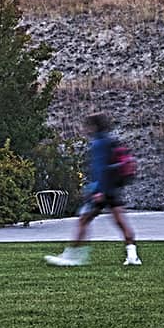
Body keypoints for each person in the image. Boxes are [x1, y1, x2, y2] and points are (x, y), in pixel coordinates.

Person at [46, 112, 139, 267]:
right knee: (121, 222)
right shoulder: (111, 141)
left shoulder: (98, 144)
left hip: (101, 189)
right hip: (113, 188)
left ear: (94, 126)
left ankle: (72, 256)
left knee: (83, 220)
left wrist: (97, 191)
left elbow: (99, 169)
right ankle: (132, 255)